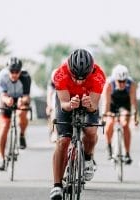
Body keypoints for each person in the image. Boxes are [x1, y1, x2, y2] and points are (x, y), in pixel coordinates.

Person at [49, 49, 106, 200]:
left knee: (91, 131)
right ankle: (56, 186)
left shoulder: (98, 75)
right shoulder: (60, 74)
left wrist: (89, 104)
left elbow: (94, 106)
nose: (80, 81)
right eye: (76, 77)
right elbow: (64, 104)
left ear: (91, 71)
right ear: (69, 70)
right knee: (63, 141)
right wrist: (70, 104)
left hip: (88, 102)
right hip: (68, 102)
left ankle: (87, 158)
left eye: (84, 78)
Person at [0, 57, 31, 171]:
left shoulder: (25, 77)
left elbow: (27, 96)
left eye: (17, 72)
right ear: (8, 70)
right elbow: (2, 95)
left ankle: (21, 135)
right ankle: (2, 158)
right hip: (7, 98)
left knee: (22, 113)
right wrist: (7, 101)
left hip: (20, 99)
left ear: (20, 71)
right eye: (12, 71)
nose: (14, 74)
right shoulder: (1, 76)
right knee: (4, 126)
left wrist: (23, 100)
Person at [102, 64, 139, 164]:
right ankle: (109, 146)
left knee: (125, 124)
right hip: (112, 104)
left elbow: (133, 102)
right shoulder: (109, 84)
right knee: (109, 123)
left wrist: (135, 117)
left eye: (124, 81)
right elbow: (106, 103)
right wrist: (105, 115)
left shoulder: (131, 84)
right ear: (115, 79)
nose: (122, 84)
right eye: (120, 81)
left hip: (125, 104)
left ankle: (127, 153)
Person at [46, 69, 57, 143]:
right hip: (54, 101)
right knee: (53, 114)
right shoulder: (51, 84)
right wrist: (49, 106)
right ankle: (54, 131)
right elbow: (49, 96)